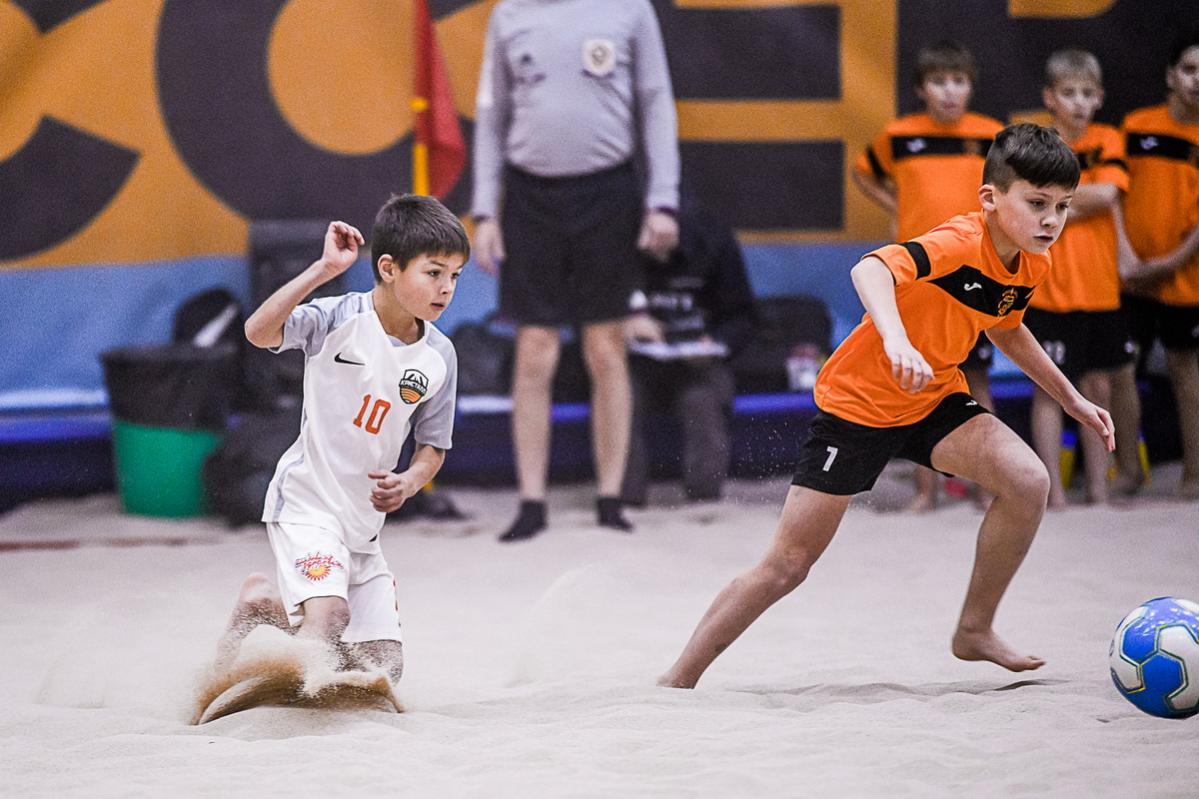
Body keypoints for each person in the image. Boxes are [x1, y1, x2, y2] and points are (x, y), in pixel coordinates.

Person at [659, 124, 1114, 689]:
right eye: (1038, 203)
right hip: (859, 407)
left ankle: (974, 630)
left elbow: (1006, 325)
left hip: (932, 398)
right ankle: (677, 680)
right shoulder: (958, 242)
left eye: (1063, 206)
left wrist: (1071, 398)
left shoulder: (1031, 261)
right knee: (788, 565)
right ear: (990, 199)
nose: (1052, 220)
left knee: (1028, 480)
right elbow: (869, 269)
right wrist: (896, 339)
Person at [215, 194, 470, 683]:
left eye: (455, 276)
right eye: (434, 273)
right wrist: (323, 270)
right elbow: (257, 332)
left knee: (383, 671)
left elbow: (433, 447)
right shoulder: (337, 318)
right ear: (389, 268)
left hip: (363, 529)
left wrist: (409, 483)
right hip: (307, 505)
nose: (446, 288)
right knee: (329, 619)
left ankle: (263, 608)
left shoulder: (440, 355)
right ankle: (283, 697)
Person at [471, 0, 680, 541]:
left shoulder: (629, 10)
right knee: (534, 351)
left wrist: (662, 199)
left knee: (605, 348)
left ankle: (610, 498)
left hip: (608, 193)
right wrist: (486, 211)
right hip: (529, 198)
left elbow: (656, 102)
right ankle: (531, 501)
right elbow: (491, 117)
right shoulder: (509, 14)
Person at [852, 40, 1004, 512]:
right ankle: (926, 492)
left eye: (958, 81)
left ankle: (986, 487)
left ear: (971, 86)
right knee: (918, 379)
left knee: (976, 379)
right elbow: (864, 172)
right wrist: (897, 206)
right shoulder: (899, 135)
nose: (949, 91)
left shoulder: (992, 136)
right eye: (939, 82)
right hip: (917, 275)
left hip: (975, 273)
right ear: (921, 89)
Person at [1023, 49, 1138, 508]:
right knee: (1048, 391)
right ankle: (1053, 494)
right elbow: (1025, 201)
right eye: (1069, 93)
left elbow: (1107, 194)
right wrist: (1068, 201)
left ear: (1100, 98)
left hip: (1099, 288)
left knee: (1097, 387)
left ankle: (1098, 489)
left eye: (1087, 93)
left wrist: (1049, 202)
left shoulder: (1109, 138)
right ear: (1049, 97)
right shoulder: (1037, 144)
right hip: (1047, 288)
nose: (1078, 102)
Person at [621, 198, 756, 506]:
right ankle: (624, 497)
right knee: (618, 395)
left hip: (698, 363)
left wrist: (716, 343)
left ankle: (704, 500)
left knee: (702, 401)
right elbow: (587, 316)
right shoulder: (614, 241)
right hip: (632, 362)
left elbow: (743, 316)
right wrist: (622, 325)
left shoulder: (713, 240)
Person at [1115, 29, 1199, 501]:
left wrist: (1170, 263)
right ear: (1171, 76)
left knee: (1187, 373)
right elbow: (1113, 193)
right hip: (1130, 278)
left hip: (1185, 280)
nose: (1197, 80)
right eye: (1189, 69)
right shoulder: (1136, 126)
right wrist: (1127, 258)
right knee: (1121, 370)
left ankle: (1194, 475)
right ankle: (1128, 470)